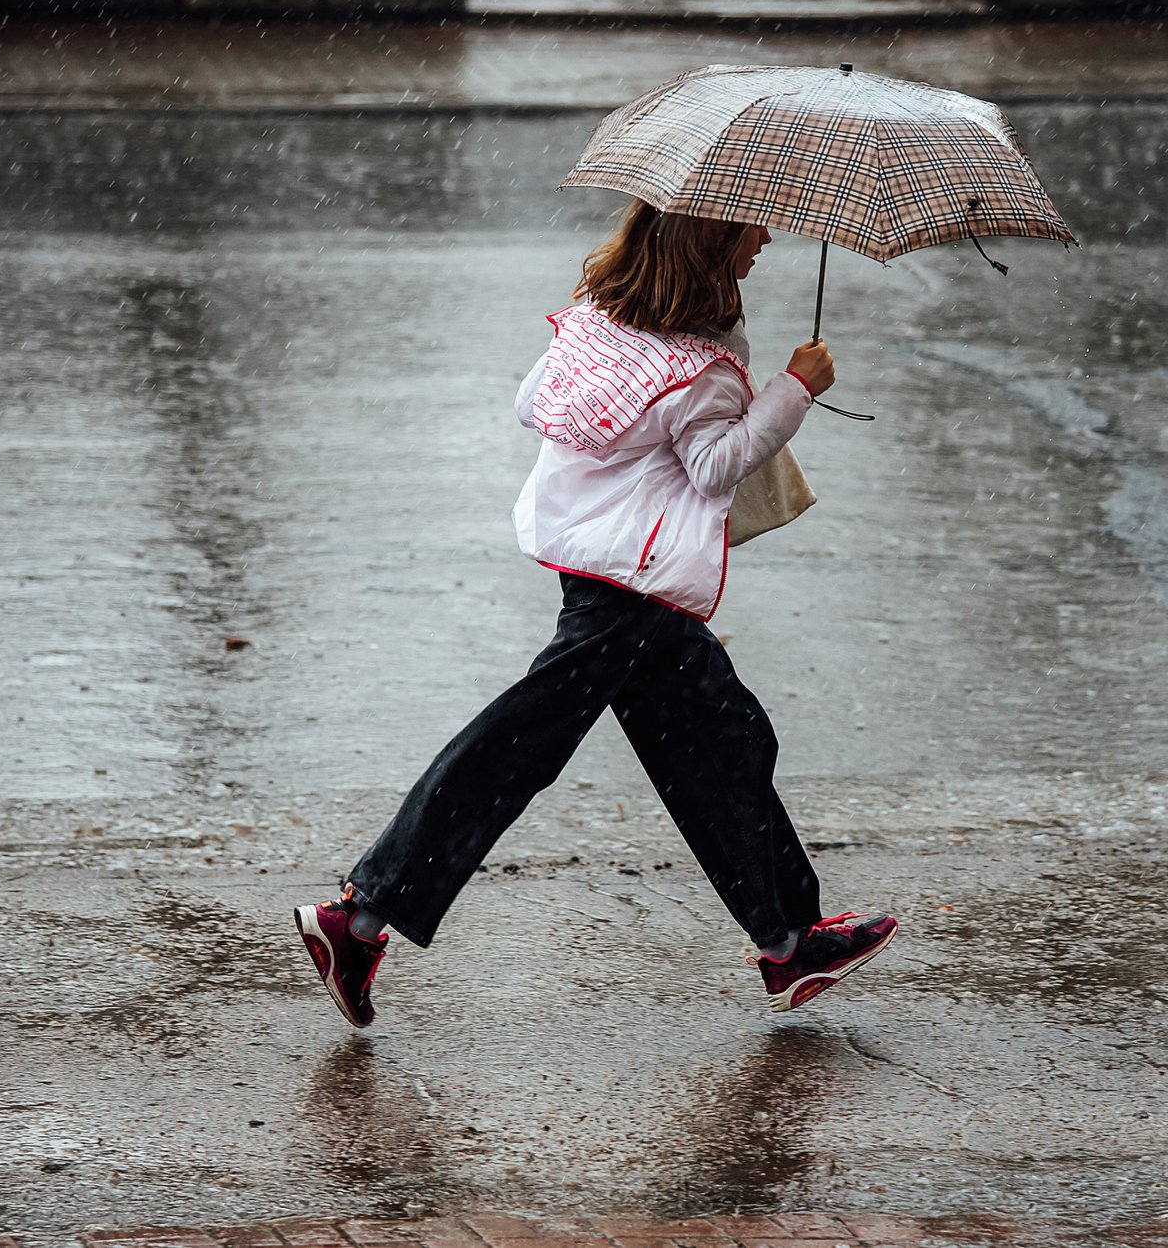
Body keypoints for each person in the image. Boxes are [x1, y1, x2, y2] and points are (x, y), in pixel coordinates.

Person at [294, 200, 898, 1027]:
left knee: (723, 742)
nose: (767, 237)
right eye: (753, 226)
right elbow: (717, 468)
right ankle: (358, 919)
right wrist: (795, 388)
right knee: (515, 749)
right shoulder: (702, 367)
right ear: (712, 238)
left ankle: (790, 943)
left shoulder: (598, 321)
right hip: (636, 585)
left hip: (600, 565)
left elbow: (531, 402)